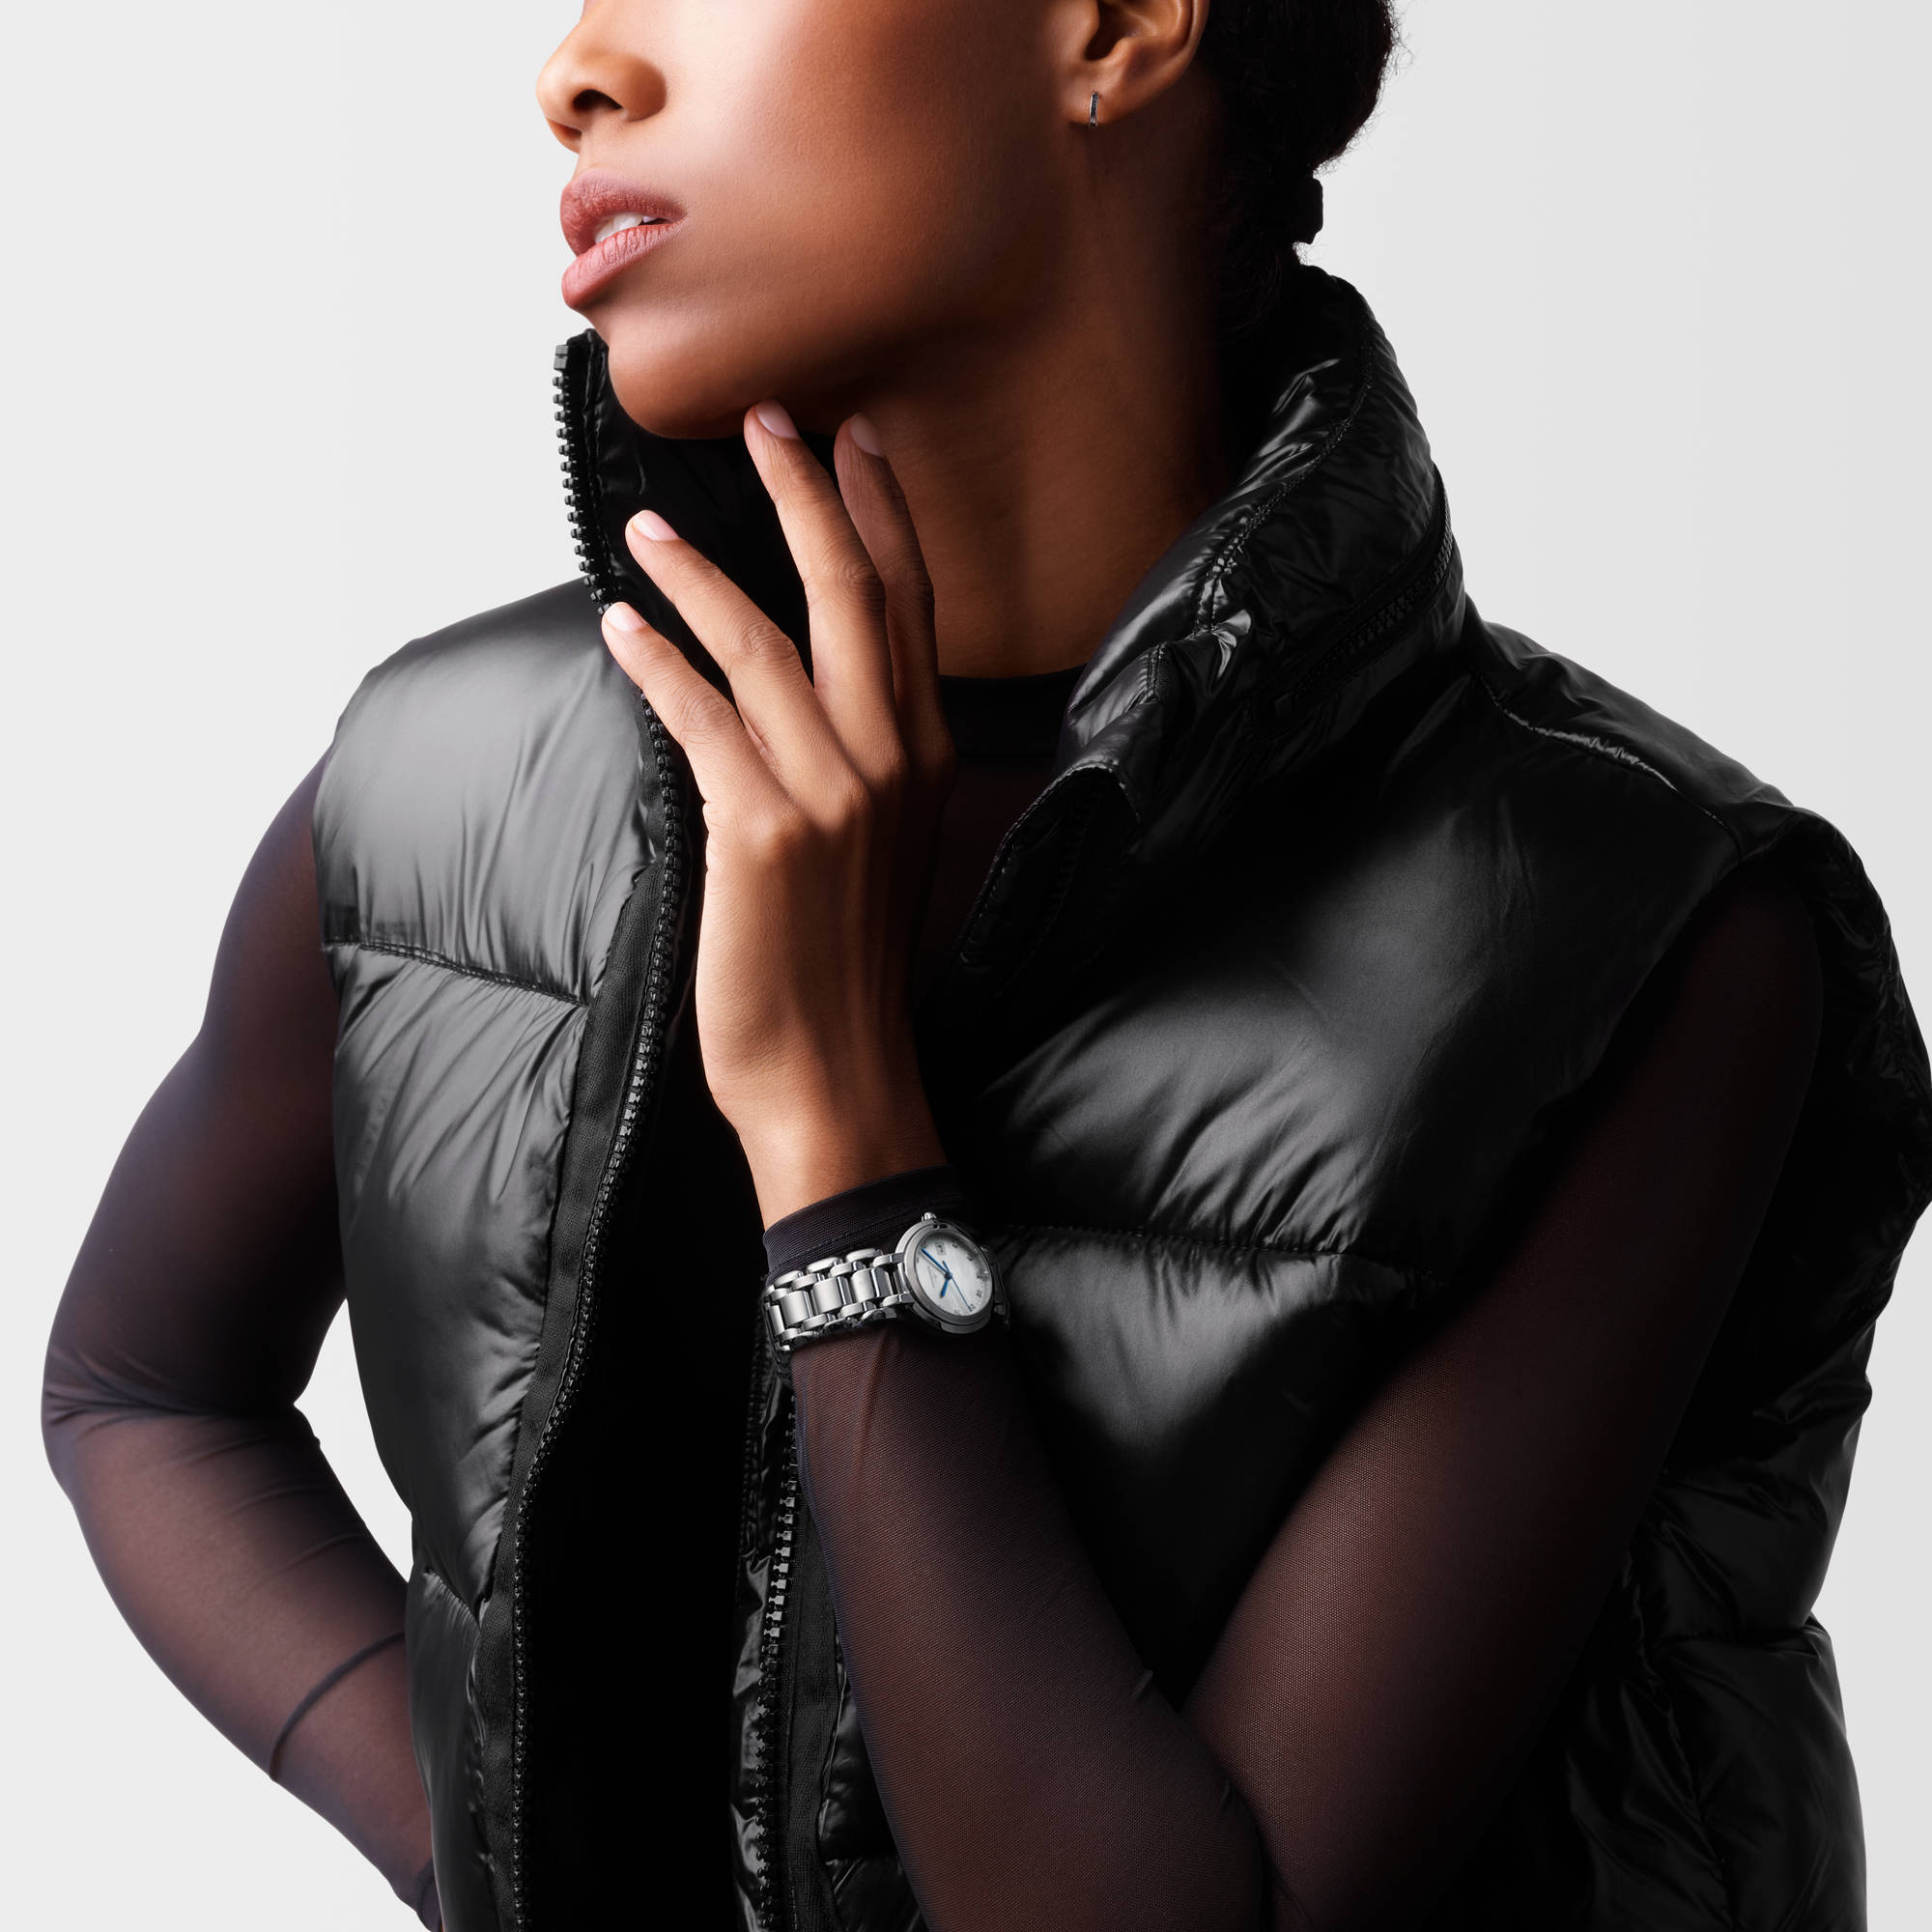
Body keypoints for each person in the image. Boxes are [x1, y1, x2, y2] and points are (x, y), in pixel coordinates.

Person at [41, 1, 1932, 1928]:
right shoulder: (446, 775)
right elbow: (141, 1388)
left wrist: (835, 1124)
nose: (577, 71)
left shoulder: (1637, 935)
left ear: (1110, 27)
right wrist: (491, 1850)